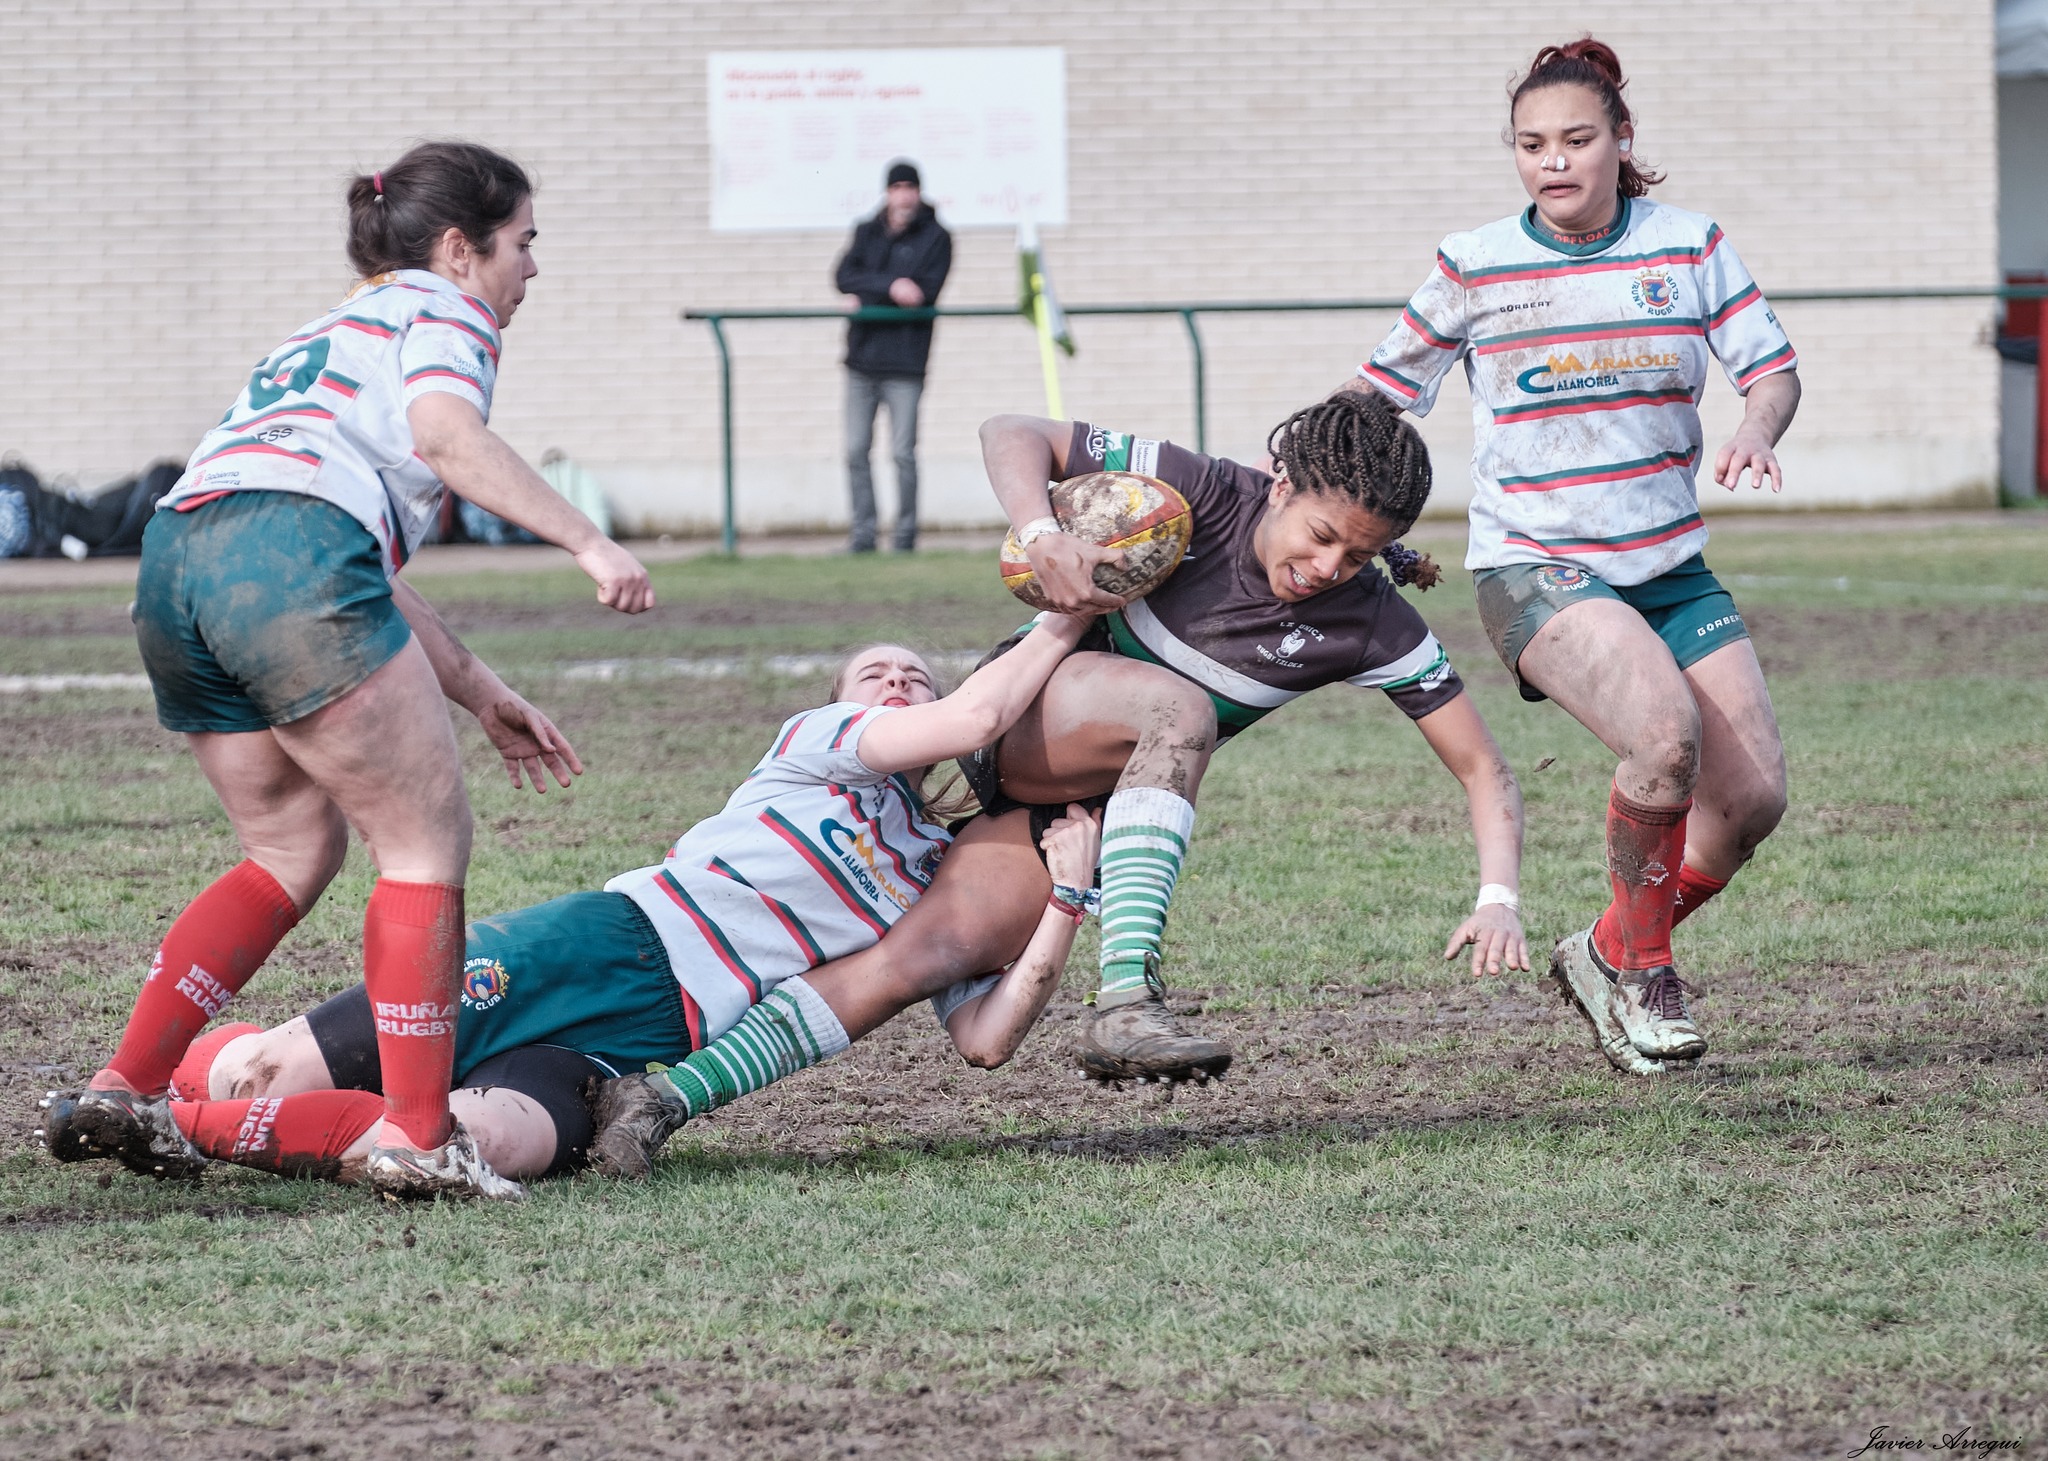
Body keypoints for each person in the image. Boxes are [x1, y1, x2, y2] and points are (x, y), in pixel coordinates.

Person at [590, 390, 1532, 1174]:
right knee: (1182, 710)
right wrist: (1042, 531)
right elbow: (1012, 431)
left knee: (915, 962)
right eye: (1321, 535)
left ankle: (663, 1097)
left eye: (1359, 556)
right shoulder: (1203, 490)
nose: (1328, 568)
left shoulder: (1368, 620)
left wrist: (1499, 896)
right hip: (1007, 729)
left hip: (1058, 814)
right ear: (1280, 485)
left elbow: (1483, 766)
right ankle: (1127, 994)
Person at [39, 141, 656, 1200]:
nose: (532, 270)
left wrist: (477, 687)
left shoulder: (330, 325)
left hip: (179, 556)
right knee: (422, 842)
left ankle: (126, 1084)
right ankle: (421, 1136)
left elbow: (332, 535)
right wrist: (588, 541)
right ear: (460, 250)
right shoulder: (446, 311)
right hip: (289, 556)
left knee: (286, 846)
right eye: (523, 243)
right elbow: (444, 439)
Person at [42, 629, 1100, 1191]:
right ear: (841, 699)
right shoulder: (819, 745)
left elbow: (984, 1036)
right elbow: (979, 711)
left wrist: (1065, 895)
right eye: (879, 673)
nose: (901, 685)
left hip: (645, 1038)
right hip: (606, 941)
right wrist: (1068, 612)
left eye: (917, 675)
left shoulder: (935, 871)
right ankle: (195, 1081)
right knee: (261, 1073)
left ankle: (176, 1129)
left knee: (474, 1146)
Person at [1350, 38, 1799, 1075]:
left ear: (1619, 141)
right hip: (1532, 565)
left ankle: (1601, 950)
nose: (1552, 161)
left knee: (1749, 805)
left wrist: (1755, 429)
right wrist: (1316, 498)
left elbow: (1769, 371)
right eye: (1530, 144)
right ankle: (1646, 979)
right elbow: (1374, 400)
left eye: (1575, 139)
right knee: (1661, 737)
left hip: (1668, 567)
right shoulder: (1473, 264)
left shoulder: (1689, 245)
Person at [834, 160, 952, 553]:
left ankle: (904, 538)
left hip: (906, 363)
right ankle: (862, 536)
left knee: (902, 453)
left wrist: (871, 291)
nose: (904, 194)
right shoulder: (868, 231)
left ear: (918, 192)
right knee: (855, 451)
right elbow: (843, 277)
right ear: (888, 192)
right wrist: (891, 284)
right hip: (861, 361)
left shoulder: (937, 238)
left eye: (910, 187)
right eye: (897, 186)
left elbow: (925, 291)